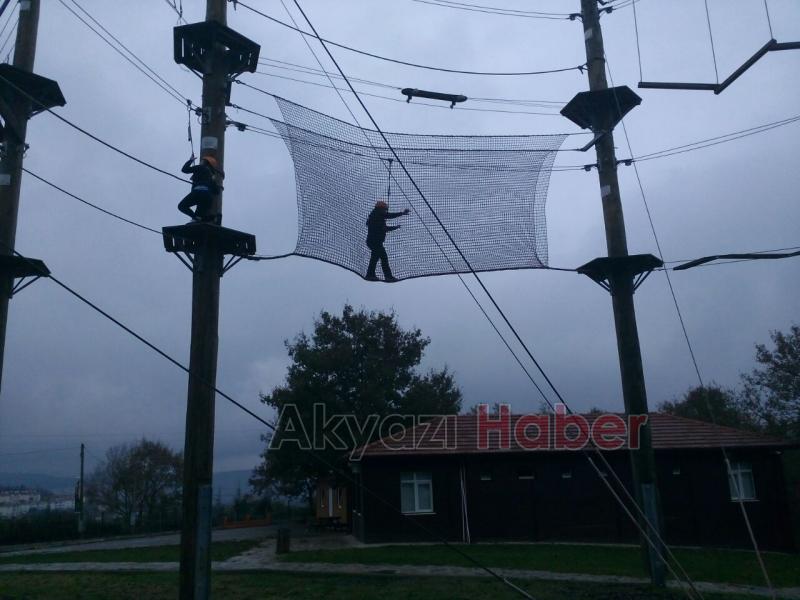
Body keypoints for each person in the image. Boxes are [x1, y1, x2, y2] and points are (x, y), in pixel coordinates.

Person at [365, 200, 409, 282]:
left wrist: (395, 227)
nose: (385, 211)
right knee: (376, 258)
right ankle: (372, 275)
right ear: (380, 208)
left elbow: (385, 229)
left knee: (382, 258)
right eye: (385, 209)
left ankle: (384, 276)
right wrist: (401, 213)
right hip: (374, 242)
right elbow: (389, 215)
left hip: (375, 242)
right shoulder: (377, 214)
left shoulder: (377, 217)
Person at [178, 155, 223, 223]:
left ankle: (196, 217)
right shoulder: (211, 176)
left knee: (182, 206)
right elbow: (217, 192)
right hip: (207, 197)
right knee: (200, 218)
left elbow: (184, 170)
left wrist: (191, 160)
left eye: (202, 161)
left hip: (198, 193)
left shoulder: (201, 167)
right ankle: (214, 218)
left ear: (205, 162)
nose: (200, 162)